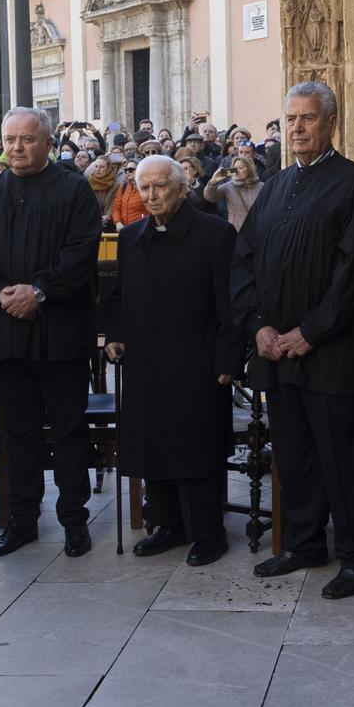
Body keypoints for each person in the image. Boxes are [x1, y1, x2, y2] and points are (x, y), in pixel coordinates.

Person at [233, 81, 354, 597]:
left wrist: (312, 331)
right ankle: (303, 543)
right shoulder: (274, 187)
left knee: (345, 457)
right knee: (295, 453)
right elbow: (245, 260)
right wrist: (259, 325)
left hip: (334, 352)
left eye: (308, 119)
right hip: (277, 351)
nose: (297, 129)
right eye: (291, 119)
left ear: (331, 123)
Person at [0, 107, 104, 559]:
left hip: (59, 330)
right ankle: (21, 520)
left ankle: (74, 520)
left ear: (47, 143)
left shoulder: (74, 190)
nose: (17, 147)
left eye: (27, 139)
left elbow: (80, 255)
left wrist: (38, 291)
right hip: (7, 332)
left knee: (69, 430)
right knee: (16, 432)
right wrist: (3, 293)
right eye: (11, 139)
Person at [105, 156, 244, 565]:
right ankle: (166, 524)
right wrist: (114, 336)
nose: (151, 195)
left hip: (197, 362)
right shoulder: (131, 237)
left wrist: (227, 359)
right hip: (147, 362)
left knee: (195, 447)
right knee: (154, 444)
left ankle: (207, 532)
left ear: (182, 189)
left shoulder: (215, 234)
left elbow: (230, 303)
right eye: (144, 187)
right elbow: (118, 298)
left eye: (160, 186)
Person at [204, 151, 264, 229]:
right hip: (236, 230)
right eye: (234, 168)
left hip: (258, 229)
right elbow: (210, 197)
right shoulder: (228, 186)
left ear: (249, 169)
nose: (236, 171)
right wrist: (213, 183)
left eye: (241, 168)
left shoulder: (261, 186)